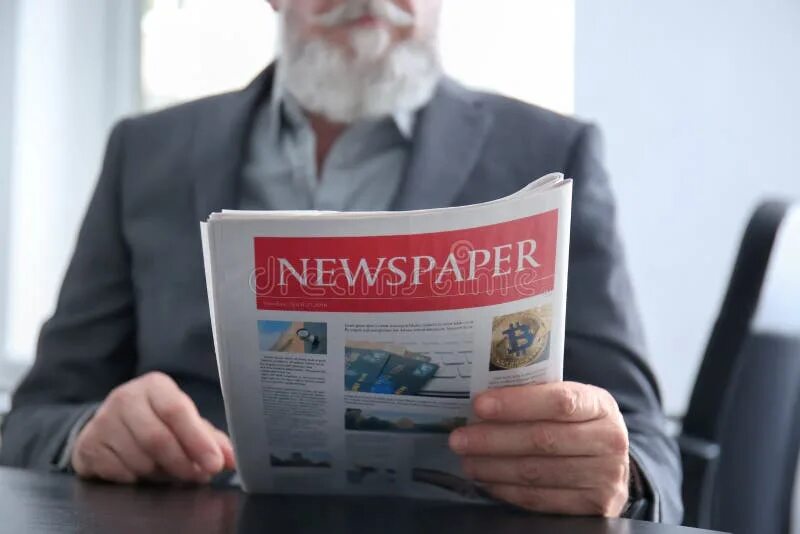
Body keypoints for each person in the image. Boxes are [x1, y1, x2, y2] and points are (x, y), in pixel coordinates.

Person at [0, 0, 682, 522]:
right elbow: (34, 417)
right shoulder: (144, 151)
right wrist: (86, 435)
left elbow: (650, 447)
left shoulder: (554, 151)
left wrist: (619, 476)